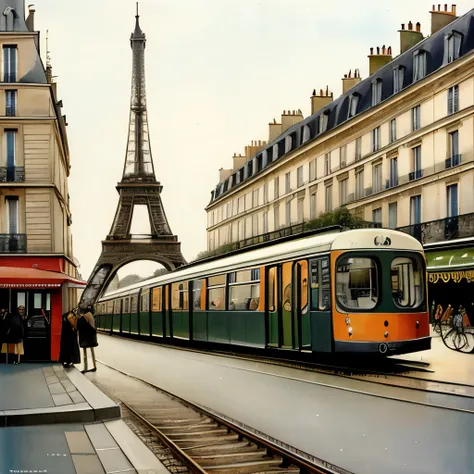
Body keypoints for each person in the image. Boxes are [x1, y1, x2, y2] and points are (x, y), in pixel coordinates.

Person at [77, 305, 98, 373]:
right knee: (92, 351)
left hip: (86, 338)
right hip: (92, 337)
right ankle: (94, 366)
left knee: (85, 353)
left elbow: (79, 326)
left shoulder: (85, 316)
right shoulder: (90, 314)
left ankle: (85, 368)